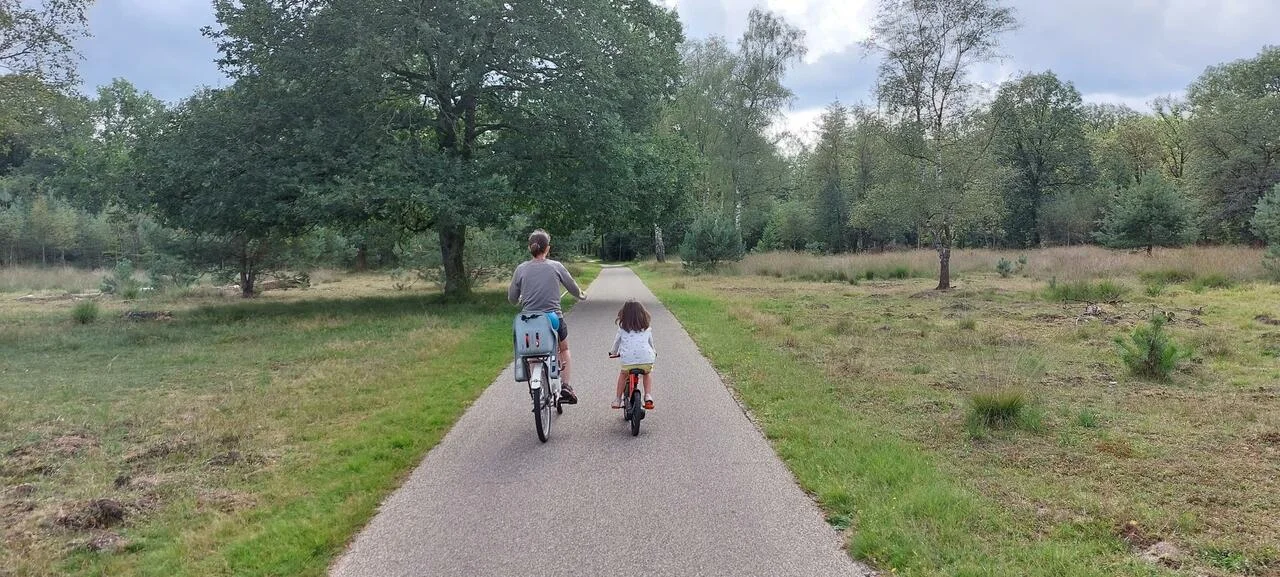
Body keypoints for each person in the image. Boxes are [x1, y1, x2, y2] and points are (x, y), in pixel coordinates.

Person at [508, 229, 585, 403]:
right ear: (547, 248)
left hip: (528, 322)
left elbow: (512, 298)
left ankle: (536, 383)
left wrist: (519, 299)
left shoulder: (521, 269)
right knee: (563, 349)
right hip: (552, 319)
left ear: (530, 248)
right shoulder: (556, 266)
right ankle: (566, 386)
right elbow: (572, 287)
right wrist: (581, 295)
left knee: (532, 353)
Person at [609, 299, 655, 410]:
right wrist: (654, 352)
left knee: (623, 374)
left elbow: (616, 343)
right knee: (647, 373)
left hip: (628, 362)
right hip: (646, 360)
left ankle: (618, 399)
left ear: (624, 315)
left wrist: (613, 352)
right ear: (643, 314)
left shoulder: (622, 329)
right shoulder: (647, 329)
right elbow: (651, 344)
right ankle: (648, 395)